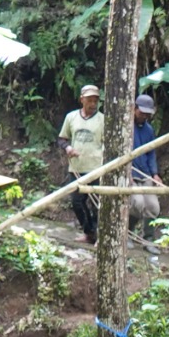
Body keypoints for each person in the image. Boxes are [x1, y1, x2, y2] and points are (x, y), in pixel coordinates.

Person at [57, 83, 108, 243]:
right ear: (82, 100)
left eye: (95, 101)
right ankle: (89, 232)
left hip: (96, 168)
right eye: (89, 100)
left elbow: (108, 143)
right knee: (77, 202)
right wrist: (68, 148)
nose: (93, 104)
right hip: (77, 168)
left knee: (98, 204)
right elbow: (62, 138)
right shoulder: (71, 117)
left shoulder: (103, 120)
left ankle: (98, 236)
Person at [128, 94, 162, 232]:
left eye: (147, 114)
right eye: (142, 113)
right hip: (130, 173)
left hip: (145, 174)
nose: (144, 116)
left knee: (153, 207)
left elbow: (151, 153)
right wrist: (126, 173)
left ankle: (148, 238)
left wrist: (154, 174)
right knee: (137, 203)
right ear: (134, 109)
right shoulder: (126, 126)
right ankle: (127, 233)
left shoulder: (149, 130)